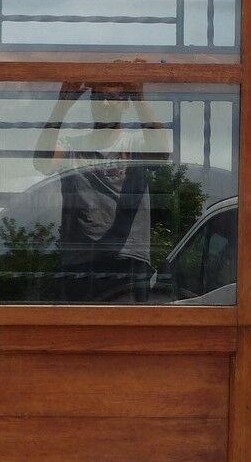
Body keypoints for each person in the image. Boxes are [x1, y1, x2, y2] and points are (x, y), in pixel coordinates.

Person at [34, 81, 166, 302]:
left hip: (127, 261)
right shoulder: (72, 146)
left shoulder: (134, 145)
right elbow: (42, 163)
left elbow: (162, 153)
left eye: (112, 98)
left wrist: (139, 98)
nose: (104, 103)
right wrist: (61, 107)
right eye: (98, 97)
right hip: (80, 263)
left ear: (125, 105)